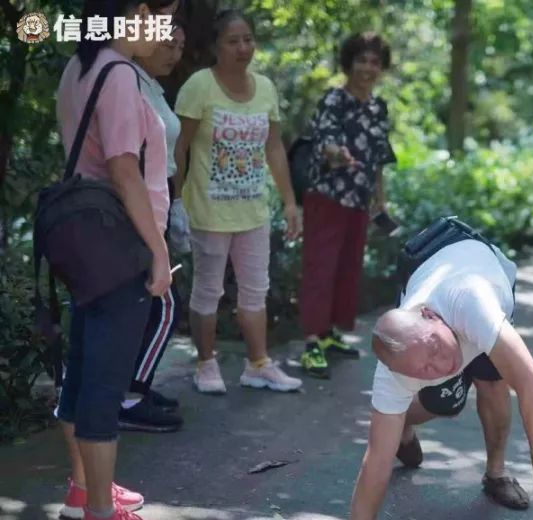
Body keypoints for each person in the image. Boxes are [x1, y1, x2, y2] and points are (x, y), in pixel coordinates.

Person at [308, 218, 533, 520]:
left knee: (493, 382)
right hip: (424, 279)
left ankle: (496, 473)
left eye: (436, 350)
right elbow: (376, 458)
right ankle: (402, 426)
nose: (443, 364)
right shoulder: (397, 370)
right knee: (445, 400)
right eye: (425, 368)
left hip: (467, 265)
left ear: (429, 314)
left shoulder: (472, 302)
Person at [54, 0, 180, 520]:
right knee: (106, 378)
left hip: (82, 239)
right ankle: (101, 518)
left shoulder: (79, 66)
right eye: (165, 15)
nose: (169, 30)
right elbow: (125, 169)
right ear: (139, 12)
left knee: (82, 366)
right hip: (120, 244)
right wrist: (156, 250)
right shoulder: (122, 75)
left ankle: (84, 490)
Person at [173, 9, 303, 394]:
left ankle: (258, 364)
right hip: (209, 212)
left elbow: (275, 146)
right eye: (233, 41)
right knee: (208, 290)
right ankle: (206, 363)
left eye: (248, 39)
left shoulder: (265, 88)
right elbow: (179, 148)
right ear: (215, 47)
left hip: (253, 211)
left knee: (255, 289)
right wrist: (176, 202)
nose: (243, 48)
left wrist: (290, 201)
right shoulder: (199, 86)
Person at [297, 32, 397, 379]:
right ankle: (311, 342)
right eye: (362, 60)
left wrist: (379, 202)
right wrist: (337, 154)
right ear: (349, 64)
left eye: (374, 62)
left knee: (346, 269)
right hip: (327, 195)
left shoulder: (378, 107)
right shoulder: (334, 100)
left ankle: (328, 334)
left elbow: (380, 157)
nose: (368, 68)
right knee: (320, 268)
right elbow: (325, 141)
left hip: (358, 199)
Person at [118, 21, 189, 433]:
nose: (173, 52)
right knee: (163, 303)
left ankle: (136, 387)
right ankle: (129, 394)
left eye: (180, 46)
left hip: (158, 203)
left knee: (151, 304)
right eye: (167, 42)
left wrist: (176, 203)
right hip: (139, 206)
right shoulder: (126, 81)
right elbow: (128, 160)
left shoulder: (151, 85)